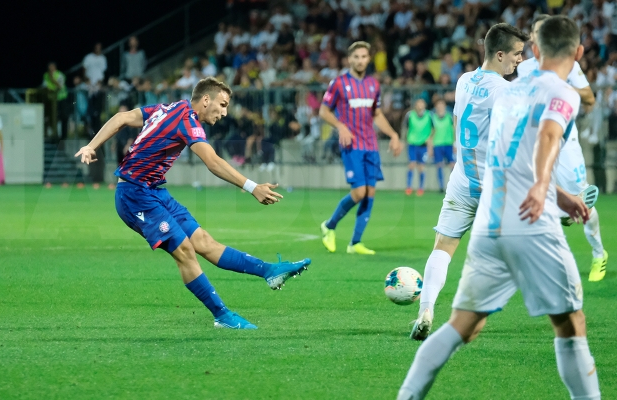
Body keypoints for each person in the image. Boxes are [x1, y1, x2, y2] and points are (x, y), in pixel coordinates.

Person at [398, 17, 600, 400]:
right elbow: (538, 144)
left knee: (462, 321)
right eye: (517, 53)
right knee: (571, 323)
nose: (521, 58)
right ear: (578, 54)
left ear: (535, 52)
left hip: (469, 185)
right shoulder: (528, 92)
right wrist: (554, 194)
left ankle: (420, 334)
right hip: (510, 204)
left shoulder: (470, 82)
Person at [73, 77, 311, 329]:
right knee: (185, 250)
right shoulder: (187, 120)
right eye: (223, 104)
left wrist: (92, 145)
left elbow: (121, 118)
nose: (225, 112)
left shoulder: (167, 109)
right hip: (134, 195)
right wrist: (252, 187)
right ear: (206, 100)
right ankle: (222, 315)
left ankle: (269, 271)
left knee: (204, 243)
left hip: (155, 192)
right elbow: (213, 162)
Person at [410, 23, 530, 341]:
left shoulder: (463, 81)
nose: (520, 59)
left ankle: (426, 308)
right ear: (500, 54)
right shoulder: (504, 92)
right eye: (517, 54)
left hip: (462, 181)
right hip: (493, 189)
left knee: (443, 249)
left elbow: (455, 122)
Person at [517, 15, 607, 283]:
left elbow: (589, 97)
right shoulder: (523, 68)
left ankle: (599, 253)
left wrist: (559, 87)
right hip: (536, 140)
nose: (536, 36)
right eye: (534, 31)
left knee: (582, 199)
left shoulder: (568, 65)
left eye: (540, 31)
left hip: (565, 143)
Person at [318, 41, 403, 256]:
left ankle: (355, 243)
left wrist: (393, 134)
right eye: (356, 56)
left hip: (370, 145)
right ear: (350, 59)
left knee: (370, 192)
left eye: (364, 56)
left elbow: (377, 114)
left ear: (368, 59)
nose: (360, 60)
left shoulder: (373, 84)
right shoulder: (338, 83)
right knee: (359, 192)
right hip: (352, 145)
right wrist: (340, 127)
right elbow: (324, 111)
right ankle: (329, 225)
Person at [402, 98, 432, 196]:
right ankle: (409, 187)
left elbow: (434, 128)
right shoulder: (410, 115)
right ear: (415, 105)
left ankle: (420, 188)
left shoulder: (429, 115)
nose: (420, 105)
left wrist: (429, 139)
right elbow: (405, 128)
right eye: (418, 103)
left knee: (421, 167)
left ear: (425, 105)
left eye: (422, 103)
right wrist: (403, 140)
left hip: (423, 145)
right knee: (411, 164)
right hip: (412, 143)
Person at [431, 100, 455, 192]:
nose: (440, 107)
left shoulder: (450, 117)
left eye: (442, 105)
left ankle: (453, 186)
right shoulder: (433, 117)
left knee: (452, 165)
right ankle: (441, 187)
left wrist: (455, 143)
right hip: (437, 144)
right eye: (438, 105)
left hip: (448, 143)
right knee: (439, 165)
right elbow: (432, 130)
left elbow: (454, 130)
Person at [42, 62, 69, 139]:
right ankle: (53, 135)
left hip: (62, 98)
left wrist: (52, 79)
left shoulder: (60, 75)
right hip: (51, 100)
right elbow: (45, 86)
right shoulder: (46, 75)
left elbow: (60, 86)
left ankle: (63, 136)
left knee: (63, 117)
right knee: (51, 118)